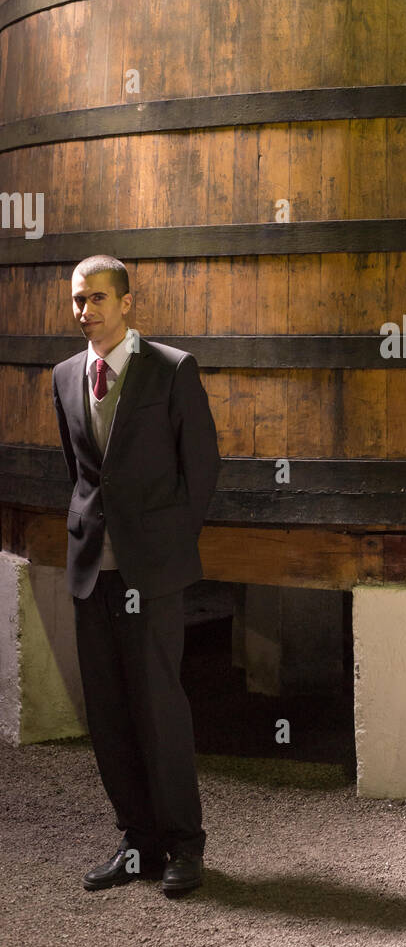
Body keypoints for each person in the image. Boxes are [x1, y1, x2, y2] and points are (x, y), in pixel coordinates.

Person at [51, 255, 221, 895]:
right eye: (77, 300)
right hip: (92, 569)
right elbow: (81, 472)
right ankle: (137, 842)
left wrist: (167, 546)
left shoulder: (172, 370)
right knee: (109, 711)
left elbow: (200, 469)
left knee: (159, 707)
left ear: (126, 303)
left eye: (97, 299)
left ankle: (184, 844)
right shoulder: (67, 376)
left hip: (153, 572)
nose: (85, 311)